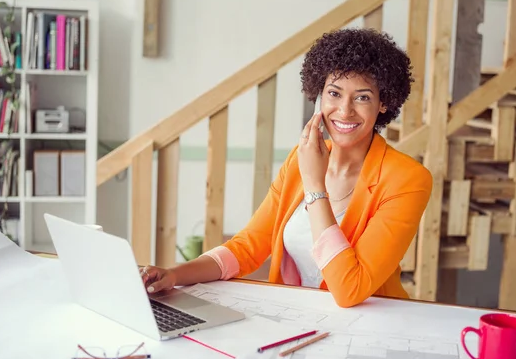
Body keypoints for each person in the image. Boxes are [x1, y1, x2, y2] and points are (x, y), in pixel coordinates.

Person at [141, 28, 433, 308]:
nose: (344, 110)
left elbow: (349, 289)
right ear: (319, 94)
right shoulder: (301, 158)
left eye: (362, 97)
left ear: (384, 103)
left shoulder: (407, 180)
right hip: (297, 318)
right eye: (334, 93)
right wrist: (175, 275)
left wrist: (315, 185)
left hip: (368, 327)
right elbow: (248, 246)